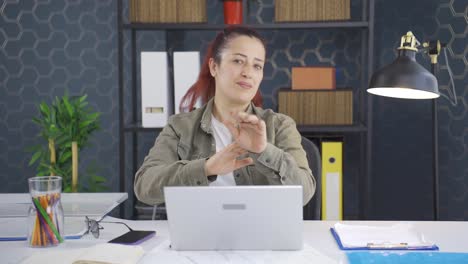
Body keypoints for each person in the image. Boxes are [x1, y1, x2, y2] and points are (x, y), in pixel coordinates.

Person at [134, 26, 316, 206]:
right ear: (214, 67)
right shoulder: (180, 127)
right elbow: (144, 186)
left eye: (257, 66)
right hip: (200, 233)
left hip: (263, 233)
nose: (248, 72)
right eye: (238, 61)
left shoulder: (280, 125)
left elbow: (304, 194)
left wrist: (263, 151)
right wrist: (206, 168)